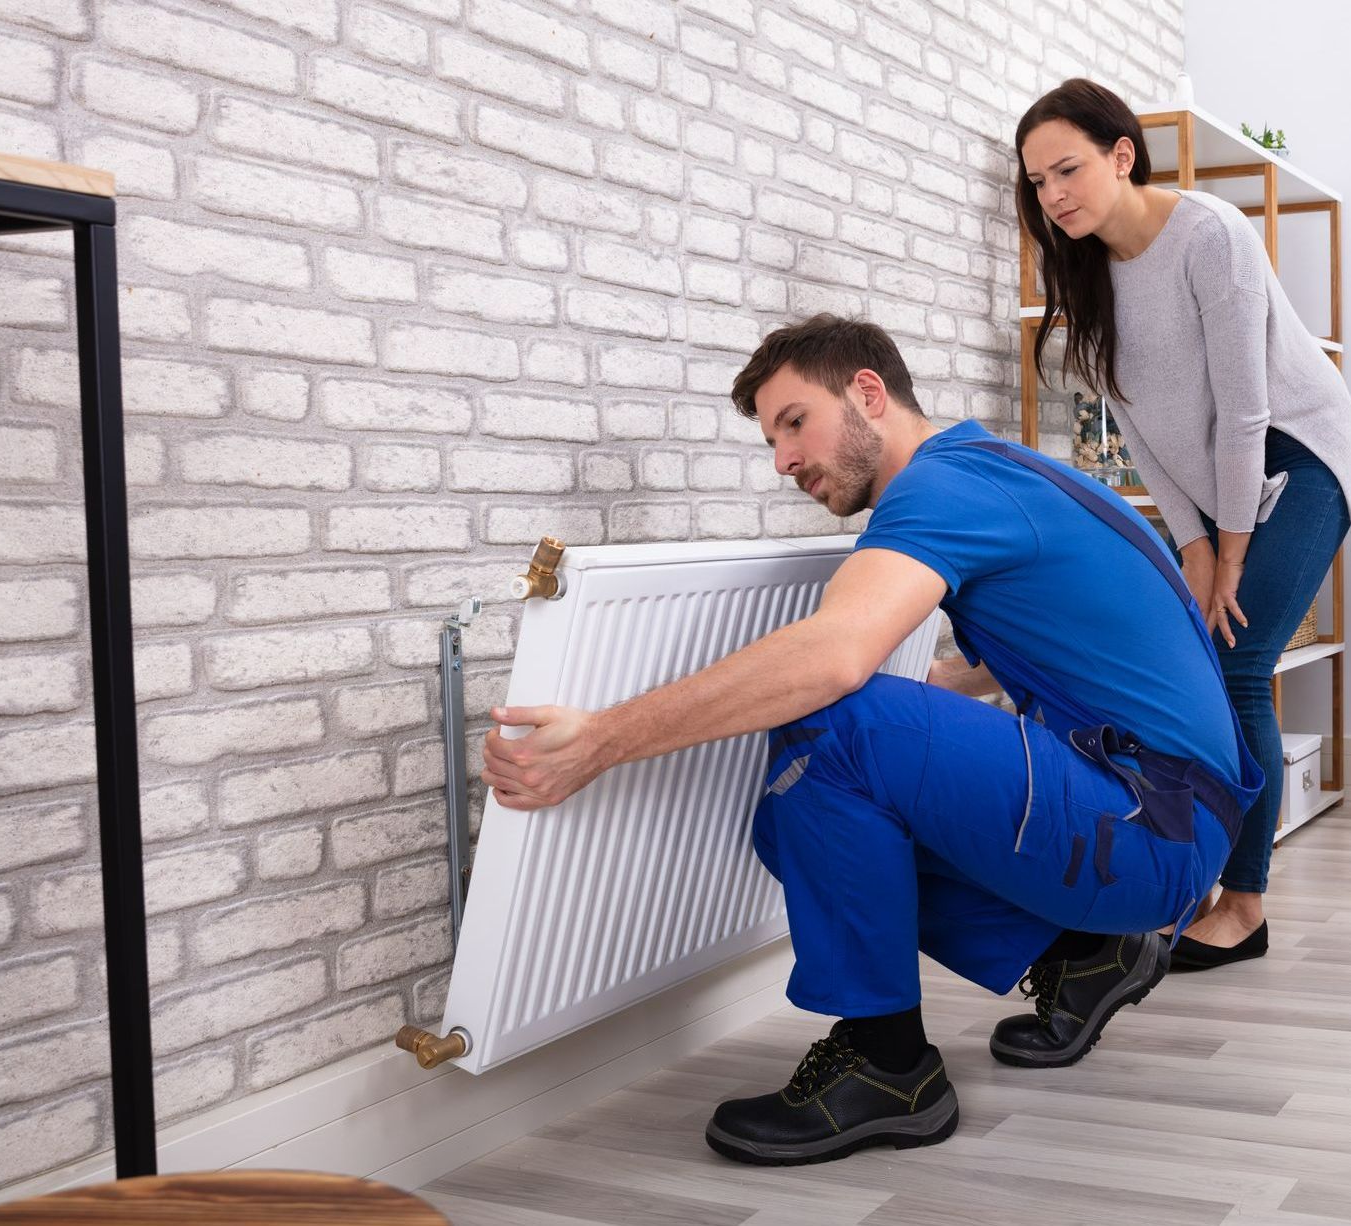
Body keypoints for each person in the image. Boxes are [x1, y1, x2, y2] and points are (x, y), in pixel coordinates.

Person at [479, 315, 1262, 1166]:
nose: (782, 459)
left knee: (835, 728)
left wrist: (599, 739)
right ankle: (1081, 956)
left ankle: (890, 1068)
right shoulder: (996, 473)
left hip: (1152, 827)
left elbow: (835, 658)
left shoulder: (941, 489)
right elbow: (1058, 656)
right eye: (771, 438)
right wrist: (941, 696)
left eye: (793, 422)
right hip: (1169, 812)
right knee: (797, 811)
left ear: (867, 393)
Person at [1016, 80, 1351, 969]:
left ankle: (1246, 906)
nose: (1053, 194)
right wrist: (1192, 546)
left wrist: (1231, 551)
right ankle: (1214, 885)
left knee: (1240, 661)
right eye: (1036, 183)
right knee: (1210, 663)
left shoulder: (1212, 234)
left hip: (1303, 456)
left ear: (1121, 154)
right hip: (1224, 487)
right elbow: (1139, 428)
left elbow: (1245, 410)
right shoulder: (1083, 272)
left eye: (1066, 169)